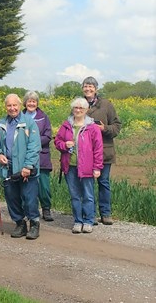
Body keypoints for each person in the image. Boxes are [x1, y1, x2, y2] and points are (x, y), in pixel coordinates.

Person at [0, 93, 41, 240]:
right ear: (5, 107)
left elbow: (34, 146)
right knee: (11, 198)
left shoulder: (29, 122)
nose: (12, 108)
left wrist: (28, 166)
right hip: (8, 168)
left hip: (26, 168)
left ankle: (34, 224)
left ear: (20, 106)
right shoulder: (1, 124)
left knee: (29, 198)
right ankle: (20, 224)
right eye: (9, 105)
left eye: (15, 105)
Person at [54, 97, 103, 233]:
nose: (78, 110)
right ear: (73, 109)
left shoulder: (92, 127)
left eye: (81, 108)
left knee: (88, 195)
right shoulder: (66, 125)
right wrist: (64, 145)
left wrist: (97, 167)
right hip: (70, 167)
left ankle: (88, 221)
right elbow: (57, 141)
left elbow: (98, 149)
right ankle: (78, 221)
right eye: (76, 107)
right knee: (75, 195)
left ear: (86, 110)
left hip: (87, 167)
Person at [82, 76, 121, 225]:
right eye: (86, 86)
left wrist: (104, 128)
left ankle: (105, 213)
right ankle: (90, 214)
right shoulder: (79, 104)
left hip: (105, 152)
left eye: (91, 86)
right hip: (86, 153)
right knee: (88, 183)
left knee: (103, 182)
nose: (88, 89)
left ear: (96, 89)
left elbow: (117, 127)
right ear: (82, 89)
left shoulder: (106, 105)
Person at [22, 91, 54, 221]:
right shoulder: (20, 116)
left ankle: (46, 209)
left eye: (34, 101)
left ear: (37, 103)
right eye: (29, 101)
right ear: (25, 103)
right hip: (24, 157)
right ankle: (27, 210)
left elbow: (47, 136)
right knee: (26, 186)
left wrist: (33, 141)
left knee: (44, 187)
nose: (31, 103)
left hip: (42, 157)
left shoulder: (43, 117)